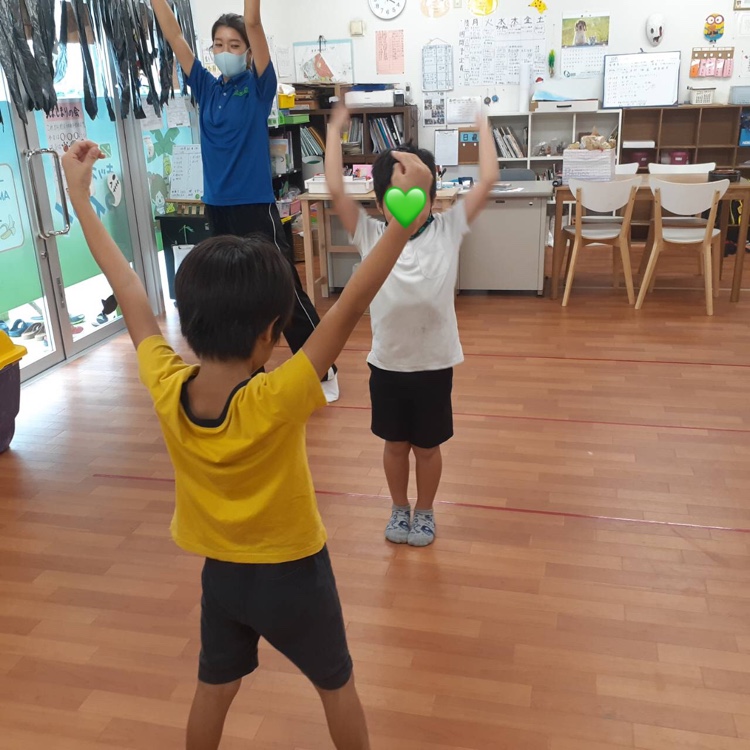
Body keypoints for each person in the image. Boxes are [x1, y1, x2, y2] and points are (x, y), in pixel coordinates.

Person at [61, 138, 432, 750]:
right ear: (269, 335)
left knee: (214, 690)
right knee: (336, 686)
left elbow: (128, 290)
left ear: (188, 318)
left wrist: (80, 198)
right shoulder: (276, 398)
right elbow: (353, 303)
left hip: (223, 578)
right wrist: (403, 221)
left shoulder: (166, 385)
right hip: (295, 576)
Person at [325, 106, 498, 547]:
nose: (410, 208)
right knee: (395, 446)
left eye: (418, 196)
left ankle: (425, 511)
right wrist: (334, 131)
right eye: (398, 198)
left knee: (427, 448)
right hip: (387, 365)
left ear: (432, 198)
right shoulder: (370, 235)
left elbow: (488, 181)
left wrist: (483, 127)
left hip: (434, 365)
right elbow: (335, 189)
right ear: (380, 203)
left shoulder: (448, 228)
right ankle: (399, 507)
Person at [150, 0, 339, 402]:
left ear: (248, 52)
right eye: (218, 44)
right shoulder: (206, 87)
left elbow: (253, 21)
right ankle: (249, 371)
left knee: (283, 289)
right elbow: (174, 35)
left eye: (234, 45)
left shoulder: (258, 87)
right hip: (218, 207)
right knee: (233, 292)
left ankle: (322, 368)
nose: (225, 51)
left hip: (254, 205)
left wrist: (250, 18)